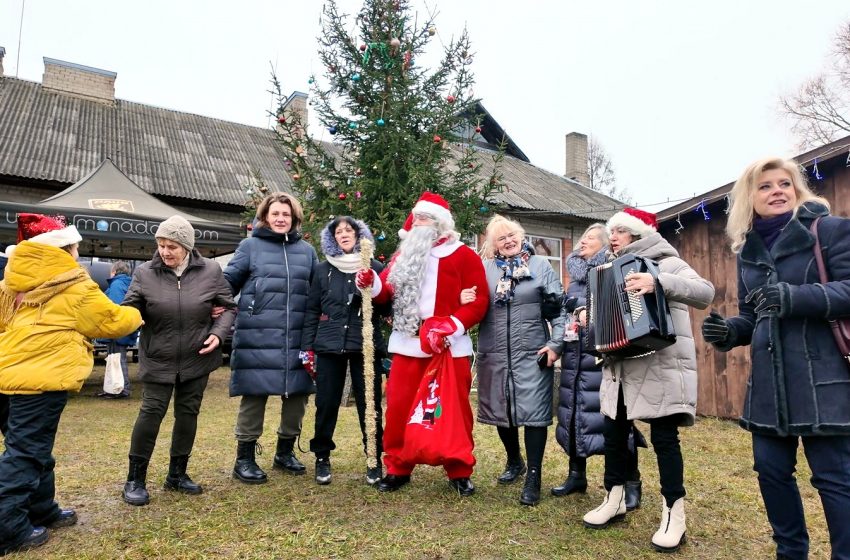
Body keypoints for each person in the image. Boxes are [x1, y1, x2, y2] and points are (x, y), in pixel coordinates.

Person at [702, 157, 850, 560]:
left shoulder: (829, 231)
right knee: (770, 474)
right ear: (750, 198)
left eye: (784, 183)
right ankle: (790, 553)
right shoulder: (748, 250)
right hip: (769, 385)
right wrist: (732, 331)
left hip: (824, 379)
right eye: (765, 186)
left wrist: (795, 297)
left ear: (797, 189)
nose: (777, 191)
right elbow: (755, 314)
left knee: (835, 480)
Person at [0, 214, 142, 555]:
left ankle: (41, 508)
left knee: (33, 449)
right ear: (64, 247)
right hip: (40, 380)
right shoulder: (71, 283)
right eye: (76, 245)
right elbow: (110, 321)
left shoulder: (12, 281)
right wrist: (139, 310)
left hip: (7, 374)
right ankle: (8, 527)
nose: (78, 251)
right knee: (24, 453)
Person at [580, 207, 714, 554]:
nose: (614, 236)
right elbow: (606, 312)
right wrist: (587, 316)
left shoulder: (666, 261)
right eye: (612, 231)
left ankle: (674, 513)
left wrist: (659, 283)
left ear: (639, 234)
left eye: (621, 231)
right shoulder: (607, 269)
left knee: (664, 440)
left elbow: (704, 292)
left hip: (660, 365)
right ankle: (615, 498)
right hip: (620, 367)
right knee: (613, 435)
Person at [356, 192, 489, 496]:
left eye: (424, 218)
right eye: (416, 217)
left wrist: (451, 326)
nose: (417, 222)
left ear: (440, 224)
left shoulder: (463, 255)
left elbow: (479, 300)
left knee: (452, 410)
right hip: (407, 343)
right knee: (400, 407)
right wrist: (370, 282)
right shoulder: (404, 256)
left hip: (448, 347)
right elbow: (385, 291)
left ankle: (458, 468)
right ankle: (398, 466)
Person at [120, 215, 236, 506]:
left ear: (187, 246)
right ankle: (135, 478)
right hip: (158, 356)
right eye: (160, 245)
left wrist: (219, 333)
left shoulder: (211, 271)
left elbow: (229, 307)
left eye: (172, 246)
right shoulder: (145, 273)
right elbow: (129, 307)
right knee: (151, 413)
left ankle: (177, 474)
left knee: (188, 414)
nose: (165, 251)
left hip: (198, 358)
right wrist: (134, 317)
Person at [225, 193, 318, 484]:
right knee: (254, 394)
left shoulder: (307, 252)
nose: (280, 219)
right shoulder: (249, 246)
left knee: (298, 395)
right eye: (275, 213)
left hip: (298, 336)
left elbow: (316, 293)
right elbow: (227, 283)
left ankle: (284, 451)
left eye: (286, 215)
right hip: (258, 334)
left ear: (294, 219)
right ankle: (245, 458)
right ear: (265, 216)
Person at [474, 215, 565, 506]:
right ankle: (515, 461)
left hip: (532, 353)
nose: (508, 241)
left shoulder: (539, 266)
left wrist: (556, 344)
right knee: (503, 409)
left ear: (521, 235)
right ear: (494, 245)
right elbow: (473, 308)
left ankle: (533, 477)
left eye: (511, 234)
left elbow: (559, 310)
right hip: (495, 353)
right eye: (501, 238)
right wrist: (464, 298)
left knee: (535, 414)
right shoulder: (485, 270)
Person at [553, 224, 645, 509]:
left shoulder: (613, 268)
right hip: (574, 353)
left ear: (605, 244)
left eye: (590, 238)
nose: (582, 242)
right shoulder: (576, 275)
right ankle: (576, 475)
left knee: (615, 420)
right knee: (573, 414)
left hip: (603, 355)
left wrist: (581, 309)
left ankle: (631, 482)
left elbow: (616, 307)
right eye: (582, 238)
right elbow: (567, 309)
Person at [302, 216, 386, 486]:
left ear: (360, 235)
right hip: (328, 344)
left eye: (349, 230)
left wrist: (373, 288)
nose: (344, 234)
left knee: (369, 404)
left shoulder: (374, 267)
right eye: (338, 231)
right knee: (326, 402)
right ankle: (322, 456)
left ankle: (373, 457)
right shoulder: (322, 269)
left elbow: (385, 307)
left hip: (365, 345)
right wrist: (307, 347)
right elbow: (313, 309)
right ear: (333, 238)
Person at [97, 261, 138, 399]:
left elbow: (114, 306)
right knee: (116, 359)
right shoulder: (128, 284)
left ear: (114, 271)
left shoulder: (116, 285)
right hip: (124, 328)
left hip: (116, 330)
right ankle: (113, 388)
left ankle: (121, 389)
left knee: (117, 359)